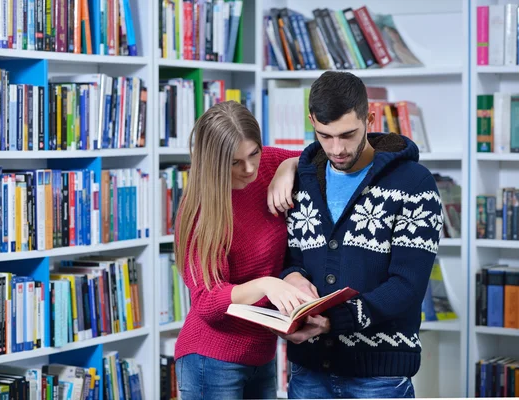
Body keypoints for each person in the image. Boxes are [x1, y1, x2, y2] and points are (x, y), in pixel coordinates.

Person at [279, 71, 443, 399]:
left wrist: (333, 321)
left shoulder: (414, 185)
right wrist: (292, 278)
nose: (337, 149)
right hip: (307, 371)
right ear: (312, 121)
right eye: (325, 136)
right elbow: (292, 258)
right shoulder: (304, 181)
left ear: (369, 118)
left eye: (348, 134)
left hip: (379, 376)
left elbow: (408, 285)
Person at [173, 100, 329, 399]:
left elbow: (331, 155)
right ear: (213, 161)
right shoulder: (199, 212)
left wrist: (288, 166)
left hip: (262, 354)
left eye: (253, 153)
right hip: (210, 359)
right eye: (234, 162)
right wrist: (267, 285)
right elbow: (207, 303)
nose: (249, 168)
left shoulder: (268, 163)